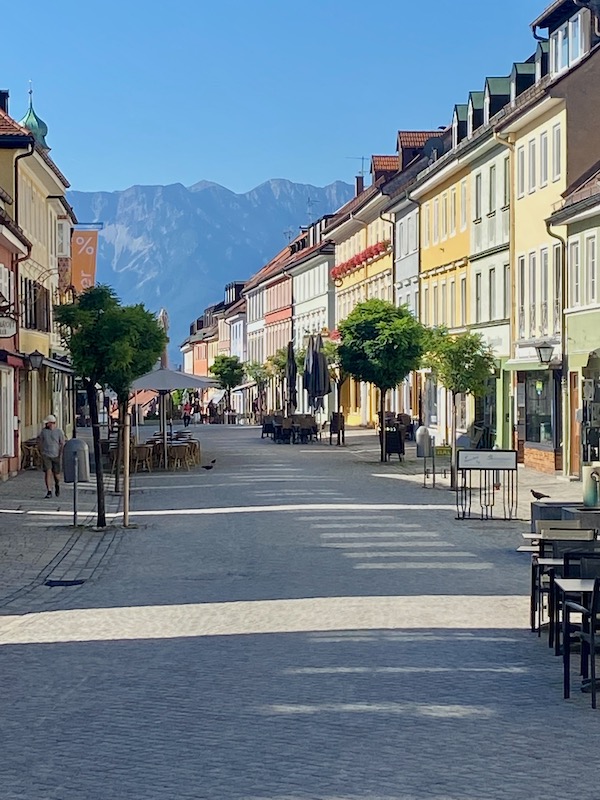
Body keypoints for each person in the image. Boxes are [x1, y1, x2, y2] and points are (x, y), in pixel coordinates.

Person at [37, 414, 65, 499]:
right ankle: (49, 490)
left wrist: (60, 453)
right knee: (48, 472)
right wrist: (41, 452)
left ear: (51, 423)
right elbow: (39, 441)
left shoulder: (59, 432)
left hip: (56, 455)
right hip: (46, 455)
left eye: (47, 423)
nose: (46, 425)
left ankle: (57, 484)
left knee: (56, 474)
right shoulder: (43, 432)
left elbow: (62, 443)